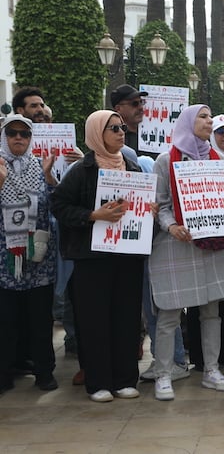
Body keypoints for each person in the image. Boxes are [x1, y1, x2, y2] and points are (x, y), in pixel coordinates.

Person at [51, 110, 146, 402]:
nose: (121, 132)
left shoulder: (133, 167)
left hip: (126, 257)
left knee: (126, 318)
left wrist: (147, 209)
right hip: (91, 259)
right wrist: (93, 215)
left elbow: (140, 205)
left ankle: (125, 378)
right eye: (113, 128)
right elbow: (59, 206)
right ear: (96, 134)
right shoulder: (82, 170)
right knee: (94, 320)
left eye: (121, 127)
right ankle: (98, 381)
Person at [148, 104, 224, 401]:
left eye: (211, 116)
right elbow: (160, 203)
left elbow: (220, 200)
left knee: (212, 311)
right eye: (203, 116)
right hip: (176, 244)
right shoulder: (165, 160)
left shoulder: (215, 160)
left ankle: (211, 370)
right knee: (170, 312)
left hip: (209, 243)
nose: (209, 121)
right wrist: (171, 226)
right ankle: (164, 373)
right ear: (188, 122)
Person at [0, 114, 58, 394]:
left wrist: (49, 176)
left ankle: (44, 373)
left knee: (40, 320)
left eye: (24, 133)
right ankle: (4, 373)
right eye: (12, 133)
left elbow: (54, 206)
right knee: (6, 321)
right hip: (4, 259)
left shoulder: (39, 165)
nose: (19, 138)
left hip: (38, 259)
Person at [110, 84, 152, 156]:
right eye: (134, 104)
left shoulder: (149, 136)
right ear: (118, 109)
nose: (141, 107)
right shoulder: (113, 138)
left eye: (141, 102)